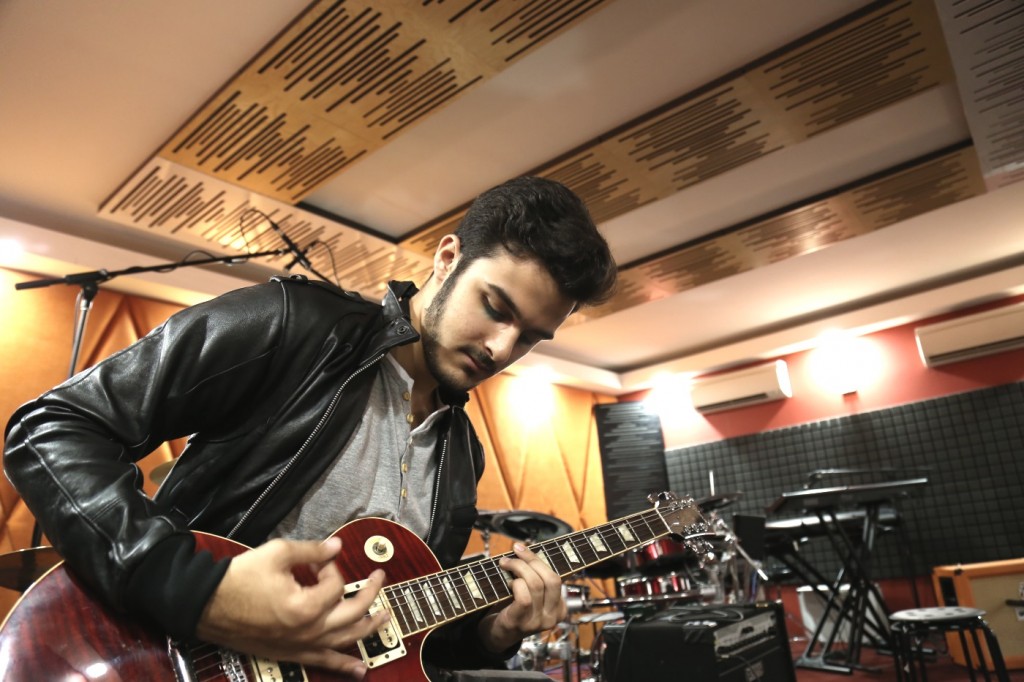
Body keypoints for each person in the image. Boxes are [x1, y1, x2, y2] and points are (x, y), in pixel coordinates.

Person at [3, 176, 618, 679]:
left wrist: (490, 634)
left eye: (532, 337)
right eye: (496, 307)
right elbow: (52, 427)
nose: (502, 347)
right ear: (448, 258)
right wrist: (199, 592)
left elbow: (401, 639)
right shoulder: (295, 327)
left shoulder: (462, 456)